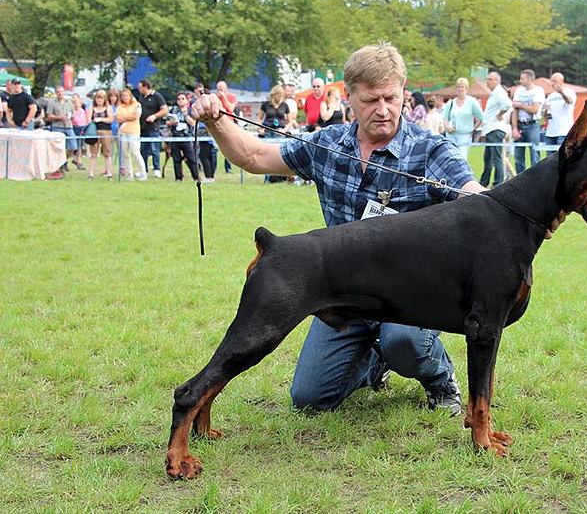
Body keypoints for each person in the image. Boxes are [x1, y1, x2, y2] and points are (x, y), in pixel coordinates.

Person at [190, 42, 488, 415]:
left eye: (391, 98)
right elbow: (253, 156)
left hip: (409, 292)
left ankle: (439, 378)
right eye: (370, 100)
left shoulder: (430, 150)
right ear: (348, 97)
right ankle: (374, 361)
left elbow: (471, 193)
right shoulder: (327, 145)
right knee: (310, 399)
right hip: (340, 291)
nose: (383, 110)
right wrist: (217, 121)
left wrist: (512, 209)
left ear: (403, 91)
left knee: (405, 343)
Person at [479, 71, 512, 188]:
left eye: (489, 79)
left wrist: (500, 114)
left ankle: (498, 183)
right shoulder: (495, 93)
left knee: (496, 158)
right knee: (488, 158)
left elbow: (508, 104)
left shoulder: (498, 92)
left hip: (495, 129)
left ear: (496, 81)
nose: (487, 81)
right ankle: (484, 182)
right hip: (490, 129)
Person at [511, 69, 545, 174]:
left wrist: (521, 105)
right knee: (518, 156)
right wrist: (514, 128)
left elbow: (535, 109)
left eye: (522, 78)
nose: (520, 80)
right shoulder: (518, 91)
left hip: (533, 124)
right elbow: (514, 111)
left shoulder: (538, 91)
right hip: (520, 124)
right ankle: (520, 180)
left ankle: (535, 179)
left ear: (530, 79)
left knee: (535, 154)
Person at [442, 77, 483, 160]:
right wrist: (447, 127)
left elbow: (481, 117)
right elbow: (445, 118)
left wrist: (473, 129)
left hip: (465, 135)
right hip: (451, 135)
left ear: (466, 89)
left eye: (462, 87)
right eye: (458, 87)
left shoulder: (472, 102)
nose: (460, 89)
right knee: (451, 158)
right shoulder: (451, 102)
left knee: (462, 158)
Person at [137, 78, 168, 177]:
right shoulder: (141, 97)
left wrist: (154, 116)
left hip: (153, 127)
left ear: (146, 87)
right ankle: (143, 169)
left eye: (140, 87)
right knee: (143, 150)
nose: (139, 89)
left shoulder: (157, 96)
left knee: (155, 149)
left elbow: (164, 110)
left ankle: (157, 169)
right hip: (143, 128)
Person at [165, 92, 199, 182]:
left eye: (182, 99)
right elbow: (167, 122)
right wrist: (172, 123)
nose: (180, 101)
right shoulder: (173, 110)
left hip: (187, 137)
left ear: (187, 100)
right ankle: (178, 178)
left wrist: (185, 115)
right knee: (176, 159)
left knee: (191, 158)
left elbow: (193, 123)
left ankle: (196, 177)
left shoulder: (190, 110)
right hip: (175, 137)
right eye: (178, 99)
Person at [116, 88, 148, 181]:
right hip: (122, 132)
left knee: (136, 153)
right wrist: (128, 117)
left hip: (134, 132)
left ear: (130, 96)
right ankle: (129, 175)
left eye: (126, 96)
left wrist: (125, 118)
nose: (125, 97)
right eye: (123, 96)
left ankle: (143, 174)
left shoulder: (137, 105)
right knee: (125, 154)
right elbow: (118, 118)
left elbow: (136, 116)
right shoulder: (120, 106)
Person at [46, 86, 80, 170]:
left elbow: (73, 114)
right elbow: (49, 116)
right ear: (56, 93)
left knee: (73, 146)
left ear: (63, 92)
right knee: (58, 148)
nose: (60, 93)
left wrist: (71, 116)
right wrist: (60, 117)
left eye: (61, 91)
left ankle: (64, 160)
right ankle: (59, 165)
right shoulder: (52, 103)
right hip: (57, 127)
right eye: (58, 92)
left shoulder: (69, 102)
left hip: (68, 126)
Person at [86, 89, 115, 180]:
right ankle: (91, 174)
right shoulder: (91, 108)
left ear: (104, 99)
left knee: (107, 153)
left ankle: (109, 173)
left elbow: (111, 119)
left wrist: (101, 119)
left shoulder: (108, 108)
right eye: (98, 98)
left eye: (101, 98)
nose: (99, 100)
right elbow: (88, 119)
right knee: (93, 153)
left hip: (106, 131)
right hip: (94, 132)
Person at [542, 72, 576, 147]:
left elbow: (569, 101)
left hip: (564, 132)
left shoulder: (569, 92)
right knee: (550, 157)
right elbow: (546, 117)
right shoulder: (550, 96)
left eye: (554, 81)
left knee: (561, 157)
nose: (552, 83)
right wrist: (545, 111)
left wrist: (561, 93)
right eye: (551, 81)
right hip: (550, 133)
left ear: (561, 81)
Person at [71, 94, 88, 169]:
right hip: (74, 128)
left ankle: (78, 161)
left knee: (79, 146)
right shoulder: (71, 111)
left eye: (77, 102)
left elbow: (85, 120)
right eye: (74, 102)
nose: (76, 104)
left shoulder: (83, 111)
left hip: (82, 129)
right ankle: (76, 161)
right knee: (74, 147)